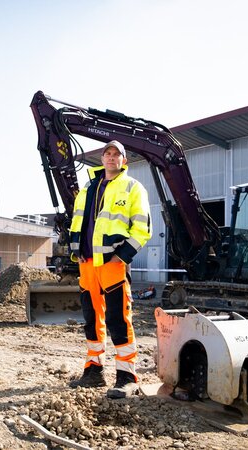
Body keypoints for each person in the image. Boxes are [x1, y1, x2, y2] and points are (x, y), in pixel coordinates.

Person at [67, 140, 152, 399]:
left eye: (117, 154)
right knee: (92, 320)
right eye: (107, 153)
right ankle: (94, 370)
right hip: (87, 264)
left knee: (118, 319)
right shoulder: (87, 188)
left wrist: (121, 256)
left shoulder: (133, 188)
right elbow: (77, 222)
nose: (111, 157)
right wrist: (76, 253)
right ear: (102, 159)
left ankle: (127, 377)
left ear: (123, 161)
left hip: (112, 264)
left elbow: (142, 228)